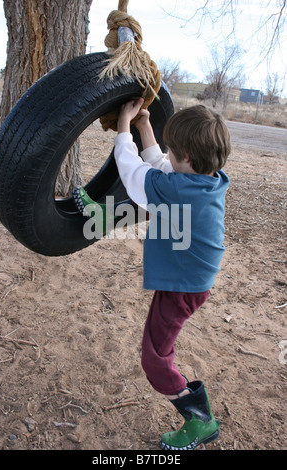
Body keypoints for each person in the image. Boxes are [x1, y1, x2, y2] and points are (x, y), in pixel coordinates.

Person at [74, 98, 230, 450]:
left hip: (182, 287)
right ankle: (103, 213)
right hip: (189, 275)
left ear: (187, 156)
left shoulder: (178, 189)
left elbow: (132, 171)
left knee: (154, 358)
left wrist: (125, 126)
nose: (169, 154)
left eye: (174, 148)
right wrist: (146, 125)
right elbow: (162, 167)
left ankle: (199, 421)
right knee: (153, 194)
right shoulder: (206, 180)